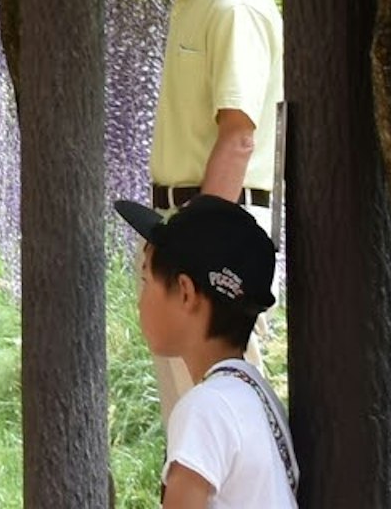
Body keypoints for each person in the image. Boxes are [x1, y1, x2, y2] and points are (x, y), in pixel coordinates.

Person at [149, 0, 283, 413]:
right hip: (184, 222)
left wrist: (197, 249)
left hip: (212, 226)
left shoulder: (235, 3)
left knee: (223, 412)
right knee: (193, 413)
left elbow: (239, 135)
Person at [116, 193, 297, 509]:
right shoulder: (256, 397)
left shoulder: (205, 408)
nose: (138, 300)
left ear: (186, 292)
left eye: (146, 280)